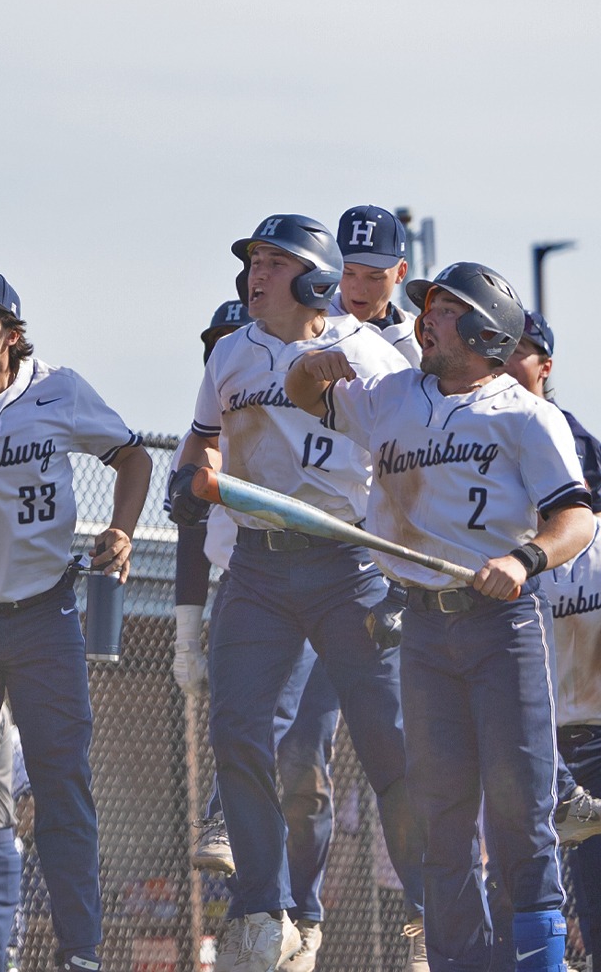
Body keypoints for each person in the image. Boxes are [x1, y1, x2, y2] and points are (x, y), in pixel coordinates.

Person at [283, 260, 595, 972]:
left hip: (501, 625)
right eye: (425, 307)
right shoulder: (392, 394)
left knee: (519, 803)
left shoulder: (526, 413)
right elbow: (305, 394)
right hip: (421, 625)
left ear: (487, 332)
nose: (425, 318)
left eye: (445, 310)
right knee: (440, 812)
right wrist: (318, 361)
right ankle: (461, 961)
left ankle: (537, 960)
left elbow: (576, 516)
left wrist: (524, 560)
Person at [168, 214, 425, 972]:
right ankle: (262, 910)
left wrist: (407, 578)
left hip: (349, 564)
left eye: (276, 263)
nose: (256, 273)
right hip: (256, 565)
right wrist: (189, 476)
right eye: (253, 260)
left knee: (390, 746)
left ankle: (430, 912)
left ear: (316, 279)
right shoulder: (231, 353)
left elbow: (413, 469)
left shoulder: (371, 357)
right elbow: (202, 435)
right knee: (238, 726)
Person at [0, 269, 150, 972]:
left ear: (12, 334)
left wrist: (126, 529)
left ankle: (81, 955)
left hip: (47, 614)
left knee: (62, 786)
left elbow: (132, 456)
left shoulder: (57, 387)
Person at [501, 312, 601, 849]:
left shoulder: (573, 436)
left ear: (545, 364)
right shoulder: (476, 422)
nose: (507, 358)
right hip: (528, 721)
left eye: (520, 349)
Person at [329, 205, 421, 364]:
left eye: (375, 276)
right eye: (348, 272)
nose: (359, 288)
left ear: (400, 272)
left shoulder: (422, 339)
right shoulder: (308, 324)